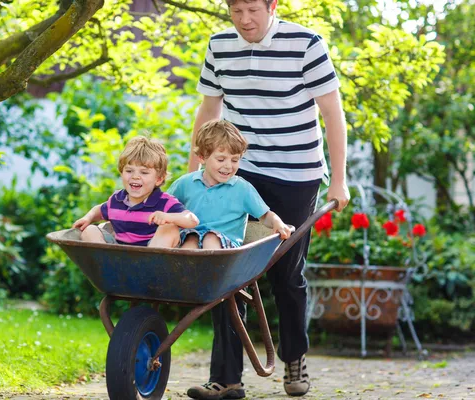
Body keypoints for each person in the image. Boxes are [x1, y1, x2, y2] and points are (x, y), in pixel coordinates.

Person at [186, 0, 351, 398]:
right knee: (226, 270)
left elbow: (332, 112)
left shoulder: (306, 43)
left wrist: (340, 180)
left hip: (297, 174)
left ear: (272, 6)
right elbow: (209, 111)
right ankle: (226, 379)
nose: (244, 20)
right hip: (238, 170)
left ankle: (294, 359)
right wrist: (195, 174)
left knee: (286, 274)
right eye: (236, 10)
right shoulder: (219, 45)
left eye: (253, 11)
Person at [168, 120, 291, 252]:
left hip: (225, 247)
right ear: (202, 157)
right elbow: (165, 206)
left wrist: (277, 222)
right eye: (221, 159)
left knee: (210, 237)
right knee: (190, 240)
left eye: (235, 160)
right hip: (190, 238)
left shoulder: (242, 189)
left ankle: (211, 272)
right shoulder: (186, 183)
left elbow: (265, 216)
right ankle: (187, 271)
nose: (228, 166)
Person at [73, 136, 199, 247]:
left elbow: (192, 220)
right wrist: (87, 218)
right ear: (121, 172)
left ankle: (150, 266)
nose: (135, 176)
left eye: (144, 172)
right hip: (120, 253)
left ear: (159, 179)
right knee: (89, 230)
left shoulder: (165, 202)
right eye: (129, 171)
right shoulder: (117, 199)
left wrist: (168, 217)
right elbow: (100, 210)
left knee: (169, 227)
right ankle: (107, 265)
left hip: (153, 251)